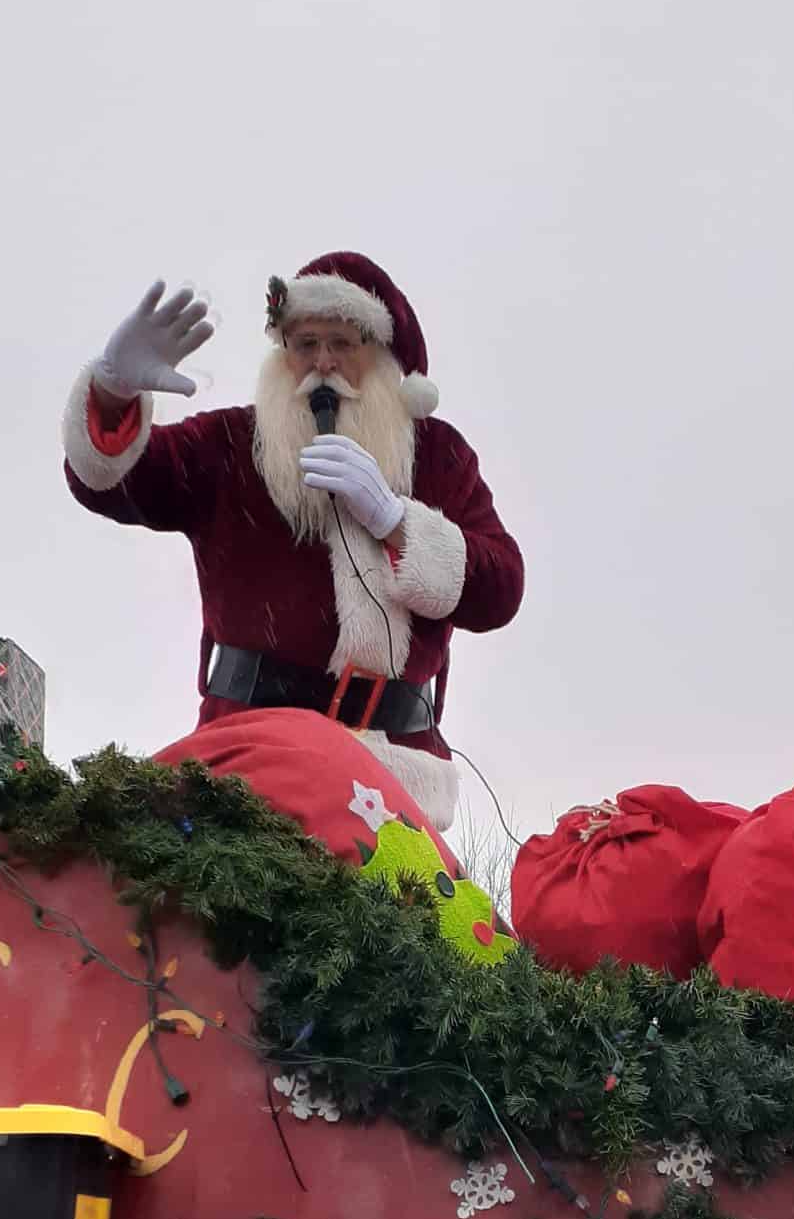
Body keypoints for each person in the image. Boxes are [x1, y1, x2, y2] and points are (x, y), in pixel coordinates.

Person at [60, 253, 524, 831]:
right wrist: (112, 391)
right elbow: (113, 482)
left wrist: (394, 521)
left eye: (342, 342)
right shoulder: (234, 445)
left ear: (380, 355)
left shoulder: (438, 457)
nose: (322, 364)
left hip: (399, 778)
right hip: (249, 767)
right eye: (304, 344)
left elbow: (501, 589)